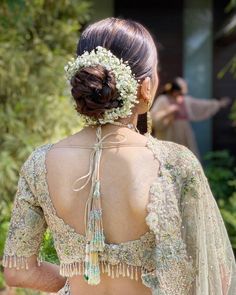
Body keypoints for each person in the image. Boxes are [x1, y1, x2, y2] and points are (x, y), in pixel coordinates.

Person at [2, 18, 236, 295]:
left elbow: (18, 271)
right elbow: (216, 276)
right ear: (146, 86)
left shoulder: (39, 163)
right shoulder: (175, 163)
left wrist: (75, 285)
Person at [151, 77, 231, 158]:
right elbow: (154, 117)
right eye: (178, 92)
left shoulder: (186, 100)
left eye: (181, 93)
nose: (180, 95)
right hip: (169, 134)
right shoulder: (163, 99)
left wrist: (218, 103)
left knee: (186, 156)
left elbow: (201, 104)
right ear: (174, 91)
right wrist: (168, 111)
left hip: (185, 133)